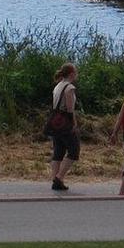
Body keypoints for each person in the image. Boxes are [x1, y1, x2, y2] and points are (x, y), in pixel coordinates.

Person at [46, 63, 80, 192]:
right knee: (74, 150)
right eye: (75, 72)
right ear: (71, 73)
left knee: (58, 151)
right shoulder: (69, 88)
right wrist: (74, 124)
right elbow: (70, 109)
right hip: (65, 122)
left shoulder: (58, 86)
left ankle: (55, 178)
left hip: (55, 122)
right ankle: (59, 178)